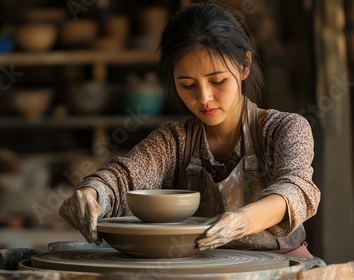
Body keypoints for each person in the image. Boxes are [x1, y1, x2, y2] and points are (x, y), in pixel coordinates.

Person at [59, 0, 322, 261]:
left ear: (244, 66)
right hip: (202, 269)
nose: (204, 98)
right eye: (187, 85)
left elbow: (295, 189)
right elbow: (123, 178)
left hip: (281, 265)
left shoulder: (283, 129)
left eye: (217, 81)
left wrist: (243, 220)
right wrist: (92, 194)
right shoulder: (174, 141)